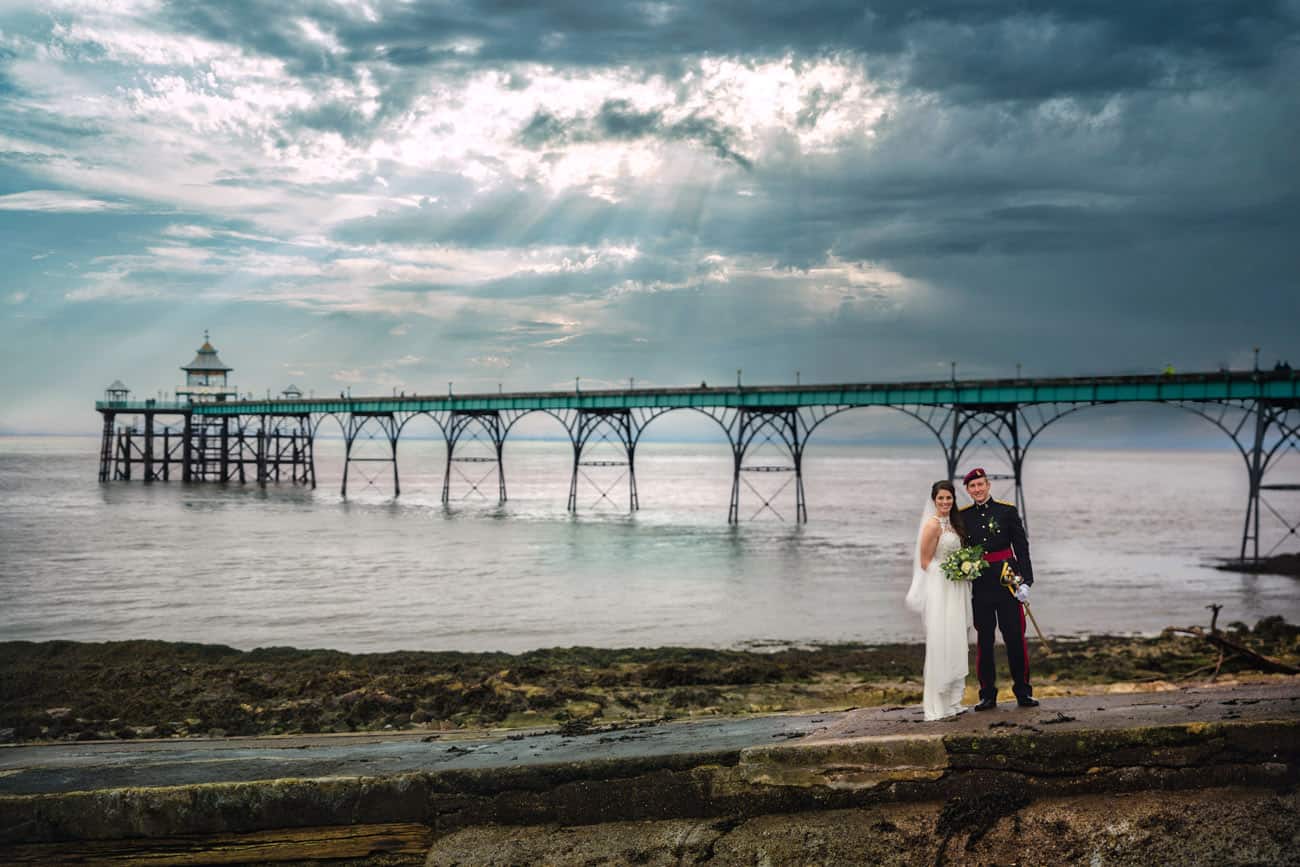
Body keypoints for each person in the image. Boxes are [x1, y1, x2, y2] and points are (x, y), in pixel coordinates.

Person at [960, 468, 1038, 710]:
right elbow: (961, 551)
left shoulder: (1007, 511)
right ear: (968, 490)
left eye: (981, 485)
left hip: (1008, 583)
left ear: (988, 485)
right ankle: (987, 695)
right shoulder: (963, 517)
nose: (978, 490)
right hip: (981, 586)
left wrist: (1026, 582)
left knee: (1015, 638)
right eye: (973, 487)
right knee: (984, 641)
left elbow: (1021, 547)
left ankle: (1023, 692)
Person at [905, 480, 973, 721]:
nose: (945, 502)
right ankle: (938, 704)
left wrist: (965, 569)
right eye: (941, 498)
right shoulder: (932, 525)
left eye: (949, 498)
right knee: (941, 640)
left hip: (958, 587)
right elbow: (925, 563)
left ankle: (954, 701)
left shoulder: (955, 523)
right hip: (942, 588)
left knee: (957, 638)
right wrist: (951, 571)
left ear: (954, 499)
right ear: (934, 500)